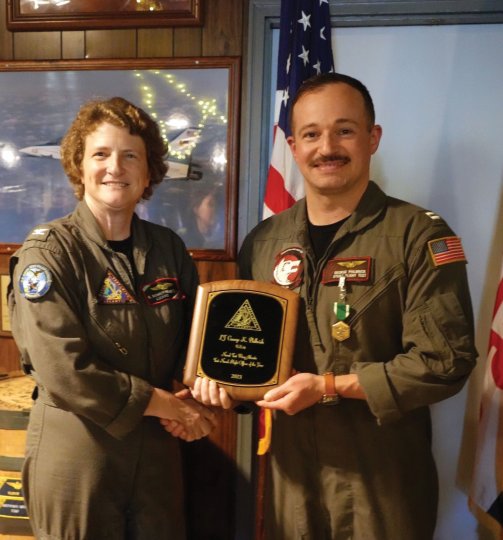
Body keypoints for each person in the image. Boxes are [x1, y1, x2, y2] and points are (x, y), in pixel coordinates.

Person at [191, 74, 478, 540]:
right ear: (293, 146)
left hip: (382, 484)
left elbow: (445, 362)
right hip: (292, 481)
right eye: (311, 134)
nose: (328, 146)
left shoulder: (418, 235)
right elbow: (249, 356)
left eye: (344, 130)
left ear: (372, 138)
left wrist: (330, 386)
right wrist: (222, 388)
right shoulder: (264, 242)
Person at [8, 97, 216, 540]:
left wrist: (199, 397)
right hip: (79, 453)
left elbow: (191, 349)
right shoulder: (48, 252)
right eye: (100, 154)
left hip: (159, 449)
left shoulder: (169, 249)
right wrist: (168, 404)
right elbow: (64, 370)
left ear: (148, 172)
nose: (114, 168)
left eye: (130, 156)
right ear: (78, 167)